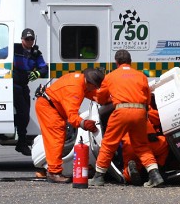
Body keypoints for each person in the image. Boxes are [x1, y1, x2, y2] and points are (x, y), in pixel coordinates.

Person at [89, 50, 165, 188]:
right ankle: (155, 175)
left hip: (121, 111)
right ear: (130, 62)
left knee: (109, 143)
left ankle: (99, 176)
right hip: (140, 112)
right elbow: (147, 98)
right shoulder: (141, 76)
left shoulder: (111, 76)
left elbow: (101, 98)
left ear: (116, 63)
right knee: (142, 146)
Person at [35, 67, 106, 183]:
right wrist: (85, 123)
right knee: (56, 138)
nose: (96, 88)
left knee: (57, 137)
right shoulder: (75, 89)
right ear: (91, 83)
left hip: (50, 105)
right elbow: (72, 118)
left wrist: (107, 100)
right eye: (96, 86)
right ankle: (54, 172)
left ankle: (53, 170)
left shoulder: (82, 81)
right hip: (48, 107)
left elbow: (94, 94)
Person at [12, 28, 48, 156]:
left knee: (26, 113)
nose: (29, 41)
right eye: (27, 39)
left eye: (31, 39)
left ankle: (21, 142)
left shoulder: (36, 53)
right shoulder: (14, 49)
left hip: (23, 85)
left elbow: (44, 67)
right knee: (22, 113)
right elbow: (0, 56)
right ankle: (21, 142)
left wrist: (38, 72)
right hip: (13, 85)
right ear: (22, 39)